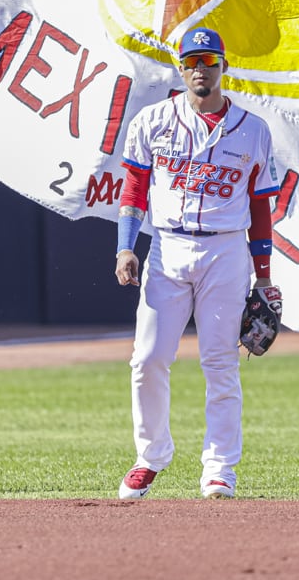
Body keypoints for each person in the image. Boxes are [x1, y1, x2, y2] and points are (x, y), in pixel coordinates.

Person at [111, 27, 281, 501]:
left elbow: (260, 206)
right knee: (147, 359)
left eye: (209, 61)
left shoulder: (253, 129)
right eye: (191, 63)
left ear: (223, 66)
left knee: (220, 362)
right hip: (167, 247)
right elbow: (134, 190)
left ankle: (220, 468)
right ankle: (150, 457)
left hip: (226, 251)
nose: (200, 71)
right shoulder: (153, 121)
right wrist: (126, 246)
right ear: (181, 69)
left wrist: (264, 277)